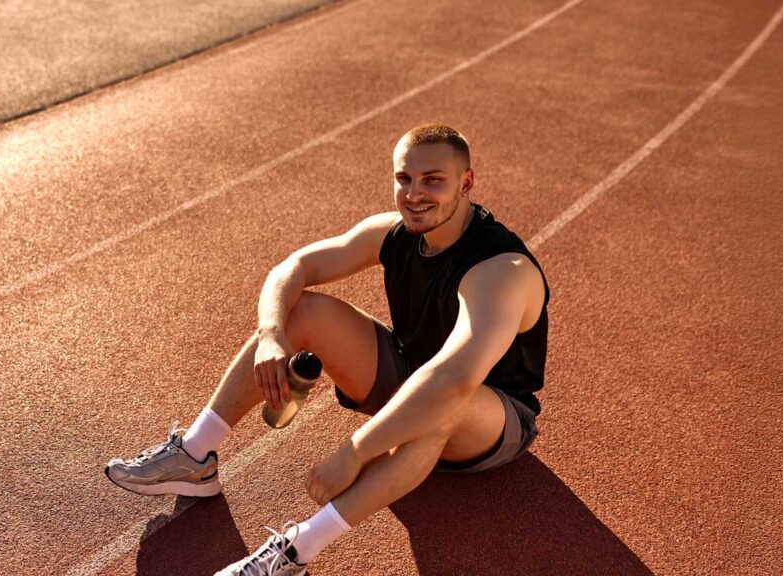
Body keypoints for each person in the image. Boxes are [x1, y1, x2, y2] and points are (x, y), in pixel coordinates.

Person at [104, 123, 550, 575]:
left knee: (443, 405)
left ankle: (298, 549)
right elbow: (293, 266)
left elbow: (452, 380)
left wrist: (355, 452)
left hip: (491, 418)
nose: (414, 193)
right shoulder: (395, 233)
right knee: (304, 311)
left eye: (433, 179)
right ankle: (196, 456)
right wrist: (273, 334)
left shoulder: (500, 271)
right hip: (413, 373)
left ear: (466, 182)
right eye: (404, 179)